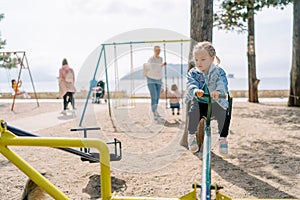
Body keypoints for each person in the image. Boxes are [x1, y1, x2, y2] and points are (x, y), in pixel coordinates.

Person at [187, 41, 231, 155]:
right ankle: (191, 136)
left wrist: (218, 91)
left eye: (203, 59)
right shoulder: (194, 73)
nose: (199, 63)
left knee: (224, 113)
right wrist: (196, 90)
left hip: (216, 102)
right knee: (193, 112)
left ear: (211, 59)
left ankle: (223, 139)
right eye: (196, 60)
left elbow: (222, 83)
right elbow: (191, 83)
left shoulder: (219, 72)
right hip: (201, 102)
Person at [143, 46, 167, 119]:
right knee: (154, 96)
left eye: (159, 50)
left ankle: (155, 110)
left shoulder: (161, 59)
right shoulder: (151, 59)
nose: (158, 52)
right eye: (157, 50)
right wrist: (162, 65)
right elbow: (153, 69)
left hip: (158, 79)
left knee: (157, 97)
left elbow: (159, 70)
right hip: (151, 79)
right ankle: (154, 112)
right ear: (154, 51)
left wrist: (162, 82)